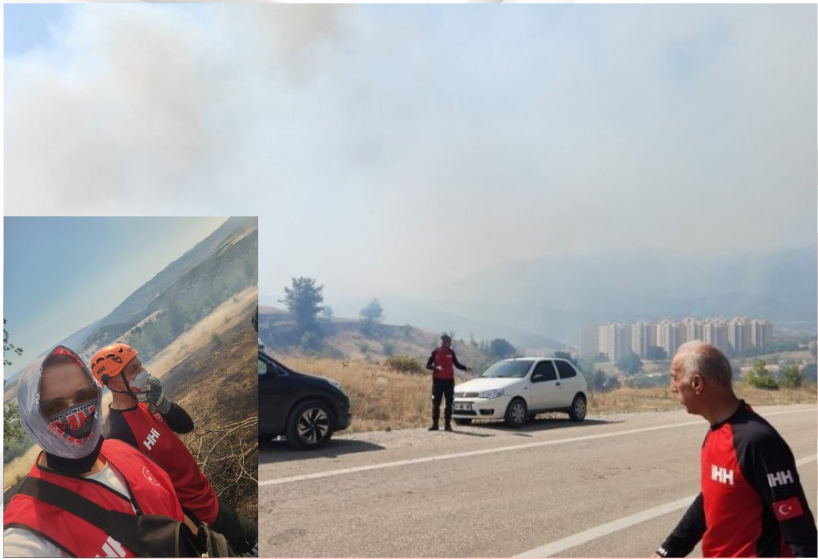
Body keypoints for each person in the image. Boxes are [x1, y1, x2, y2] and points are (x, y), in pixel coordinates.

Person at [3, 345, 185, 557]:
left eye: (84, 396)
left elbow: (180, 519)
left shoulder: (121, 450)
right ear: (30, 418)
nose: (76, 414)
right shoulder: (28, 533)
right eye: (54, 408)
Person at [90, 342, 258, 555]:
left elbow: (186, 426)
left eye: (140, 365)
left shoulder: (144, 401)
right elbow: (148, 497)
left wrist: (163, 403)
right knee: (255, 541)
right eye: (134, 370)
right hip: (200, 515)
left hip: (206, 495)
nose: (143, 372)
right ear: (114, 384)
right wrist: (194, 532)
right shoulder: (117, 436)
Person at [653, 341, 817, 558]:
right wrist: (669, 550)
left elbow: (799, 529)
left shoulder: (758, 441)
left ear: (697, 384)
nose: (672, 387)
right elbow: (710, 500)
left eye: (675, 377)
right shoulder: (716, 432)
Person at [425, 334, 472, 431]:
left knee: (449, 403)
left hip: (449, 382)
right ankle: (435, 425)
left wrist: (465, 368)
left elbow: (457, 364)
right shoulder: (435, 352)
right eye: (449, 342)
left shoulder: (451, 352)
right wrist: (435, 367)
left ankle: (447, 425)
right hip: (438, 381)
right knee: (436, 403)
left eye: (450, 342)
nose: (450, 344)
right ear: (444, 342)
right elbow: (428, 365)